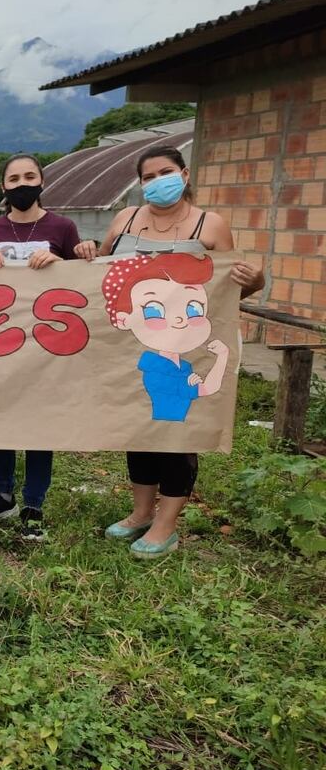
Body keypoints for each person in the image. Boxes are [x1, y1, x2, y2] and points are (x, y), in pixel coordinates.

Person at [91, 145, 264, 559]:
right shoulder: (124, 220)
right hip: (133, 348)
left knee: (177, 429)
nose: (156, 182)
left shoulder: (211, 225)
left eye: (164, 172)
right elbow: (98, 274)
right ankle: (140, 512)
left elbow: (229, 285)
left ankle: (166, 524)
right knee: (139, 426)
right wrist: (86, 252)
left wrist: (255, 279)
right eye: (147, 177)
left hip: (190, 347)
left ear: (184, 175)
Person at [0, 153, 82, 541]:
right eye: (13, 178)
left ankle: (34, 505)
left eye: (29, 176)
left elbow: (82, 283)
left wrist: (65, 261)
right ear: (3, 187)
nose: (21, 184)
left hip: (47, 346)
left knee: (38, 425)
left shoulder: (63, 227)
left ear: (42, 181)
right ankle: (3, 495)